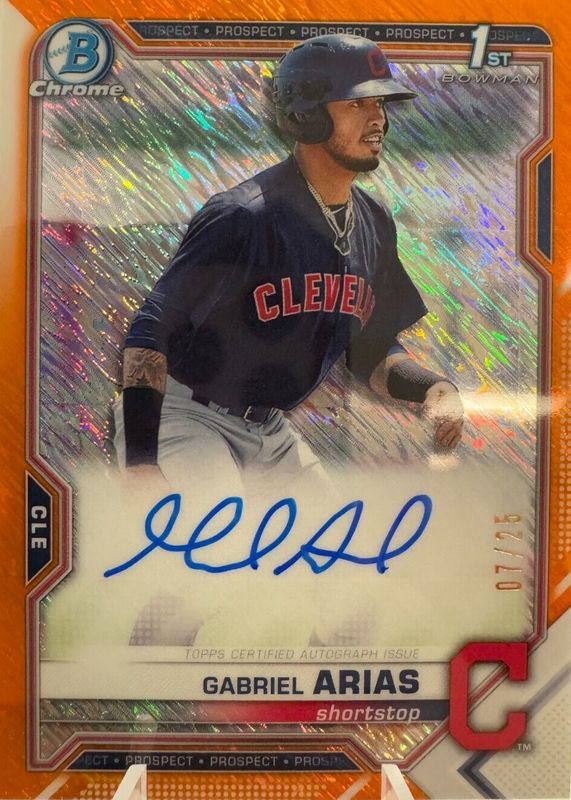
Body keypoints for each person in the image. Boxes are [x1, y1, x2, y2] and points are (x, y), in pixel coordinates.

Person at [114, 33, 463, 506]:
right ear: (306, 116)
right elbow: (150, 331)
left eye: (380, 103)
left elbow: (369, 349)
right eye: (357, 104)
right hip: (185, 416)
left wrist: (431, 388)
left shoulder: (374, 222)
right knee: (217, 536)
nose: (378, 119)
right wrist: (141, 461)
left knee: (336, 544)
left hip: (269, 430)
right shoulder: (243, 215)